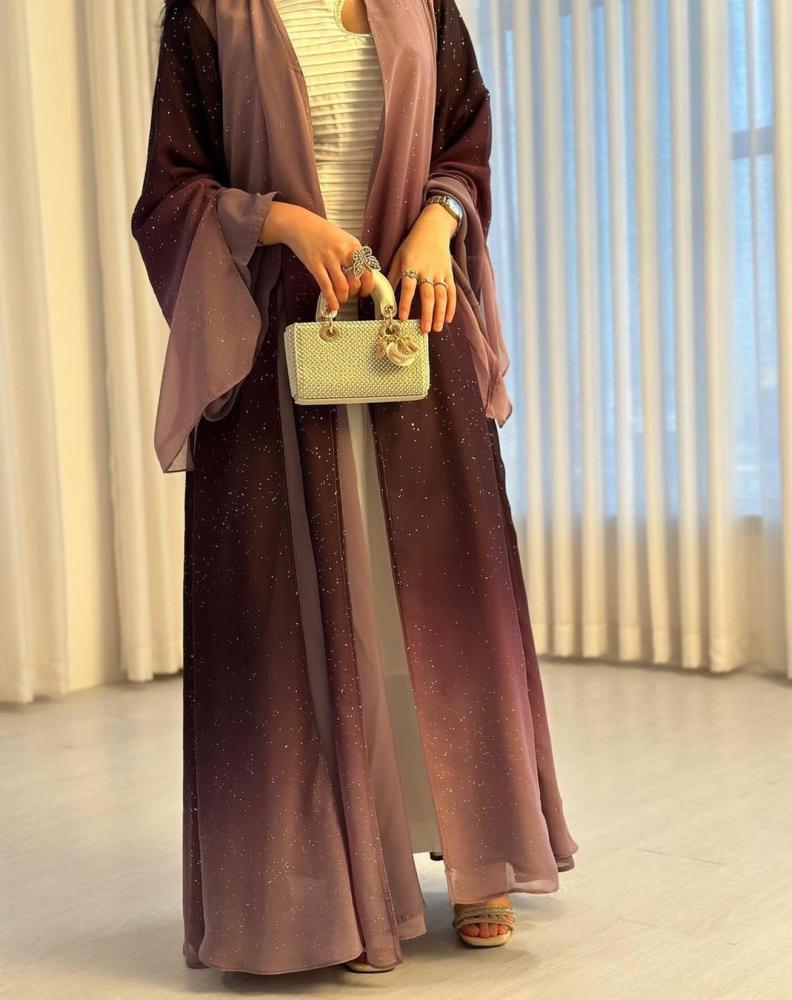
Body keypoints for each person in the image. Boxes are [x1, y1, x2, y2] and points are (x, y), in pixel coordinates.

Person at [131, 0, 578, 976]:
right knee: (291, 618)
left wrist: (435, 225)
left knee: (439, 601)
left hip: (413, 325)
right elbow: (170, 190)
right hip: (276, 350)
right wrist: (282, 222)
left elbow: (463, 136)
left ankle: (475, 850)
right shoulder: (211, 12)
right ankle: (318, 882)